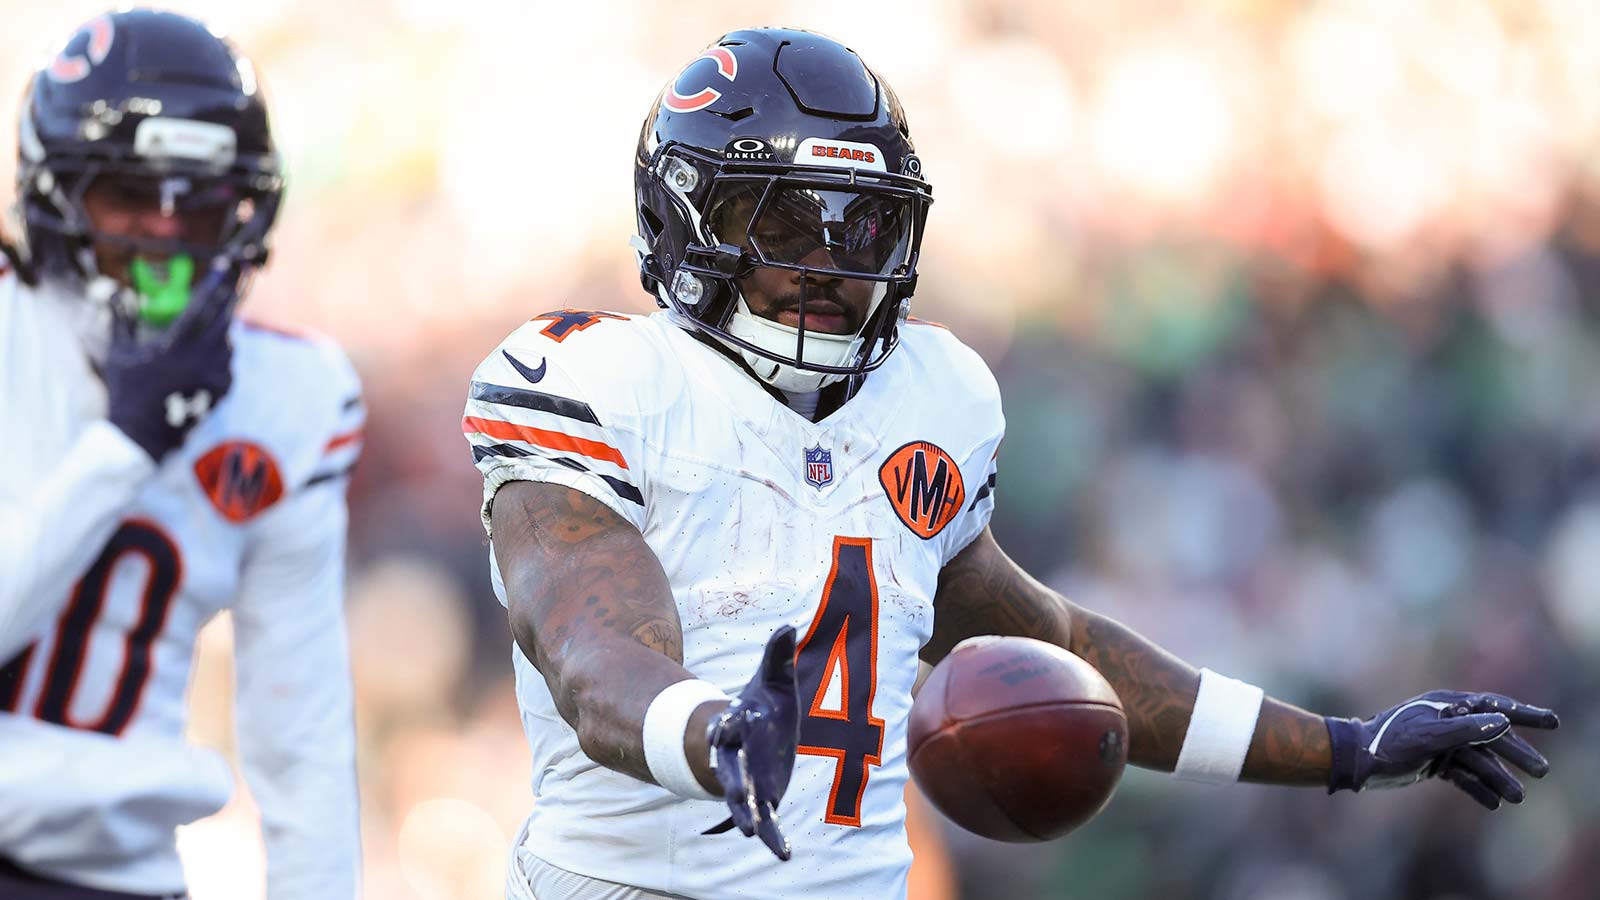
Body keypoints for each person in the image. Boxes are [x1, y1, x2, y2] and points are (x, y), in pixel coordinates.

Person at [464, 27, 1558, 900]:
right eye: (787, 219)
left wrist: (1345, 746)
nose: (830, 264)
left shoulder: (929, 400)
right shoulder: (596, 380)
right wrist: (709, 731)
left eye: (863, 229)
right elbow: (592, 649)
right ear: (682, 214)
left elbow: (1059, 647)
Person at [0, 10, 361, 900]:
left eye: (196, 202)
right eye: (130, 195)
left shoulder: (291, 397)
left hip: (110, 875)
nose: (163, 234)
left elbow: (301, 736)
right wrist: (129, 441)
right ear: (57, 196)